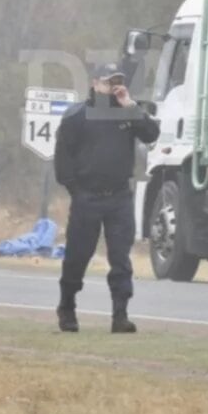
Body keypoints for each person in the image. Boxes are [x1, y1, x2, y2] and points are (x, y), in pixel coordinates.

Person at [53, 63, 160, 333]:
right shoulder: (77, 115)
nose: (113, 86)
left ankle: (120, 314)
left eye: (117, 81)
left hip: (119, 198)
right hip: (87, 197)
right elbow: (63, 159)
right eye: (108, 82)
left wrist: (130, 106)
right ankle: (67, 307)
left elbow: (151, 134)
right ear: (94, 83)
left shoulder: (127, 113)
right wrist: (76, 190)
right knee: (78, 256)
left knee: (120, 258)